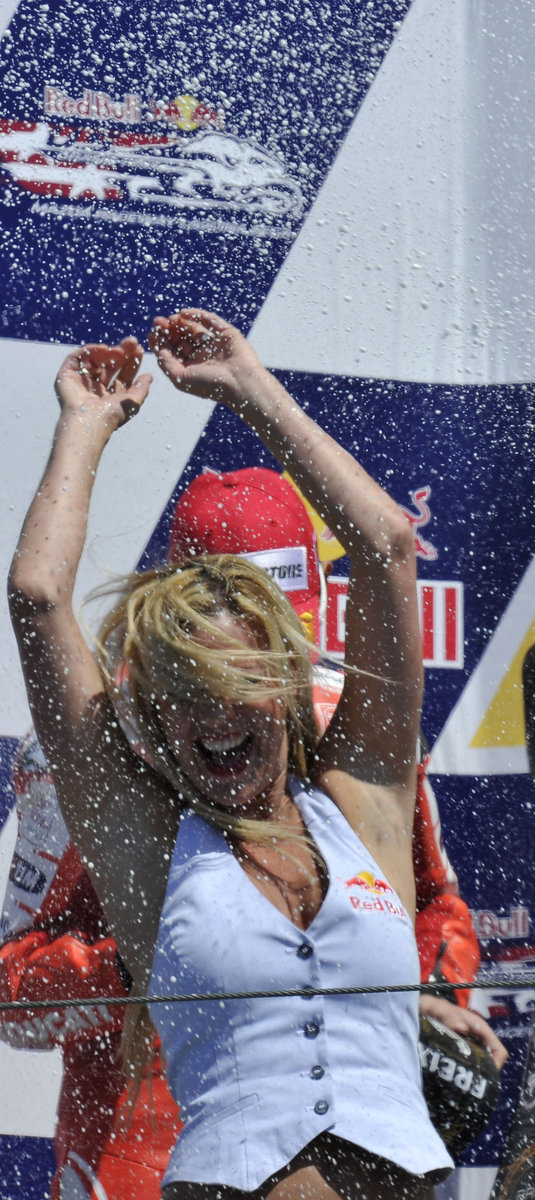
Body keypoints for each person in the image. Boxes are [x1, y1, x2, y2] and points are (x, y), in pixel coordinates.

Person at [8, 310, 457, 1198]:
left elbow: (387, 544)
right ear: (151, 705)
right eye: (184, 690)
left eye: (240, 680)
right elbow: (36, 597)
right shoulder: (145, 845)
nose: (215, 715)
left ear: (288, 677)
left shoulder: (364, 799)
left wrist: (253, 391)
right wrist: (84, 427)